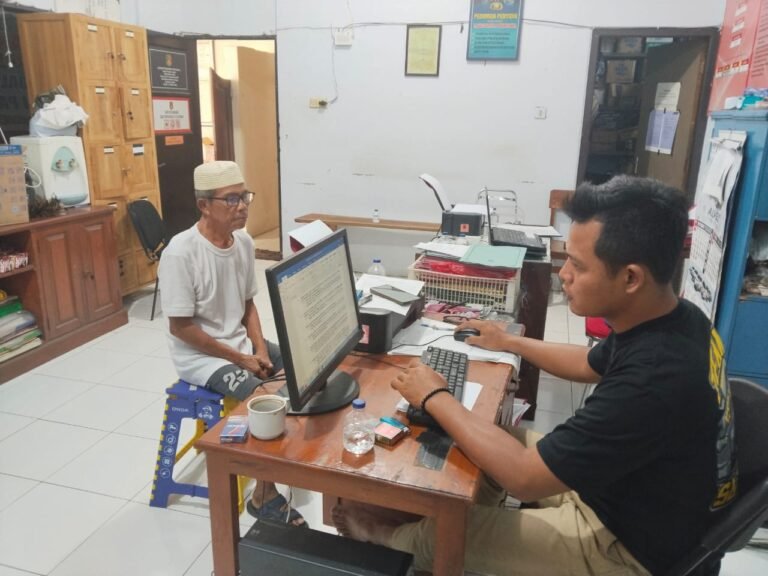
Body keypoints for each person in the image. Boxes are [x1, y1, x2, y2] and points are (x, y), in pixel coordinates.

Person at [332, 176, 736, 575]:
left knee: (447, 534)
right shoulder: (678, 318)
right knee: (488, 440)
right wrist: (511, 342)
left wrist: (436, 396)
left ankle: (380, 536)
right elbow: (589, 362)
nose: (564, 275)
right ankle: (478, 525)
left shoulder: (655, 378)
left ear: (631, 278)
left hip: (627, 547)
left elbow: (525, 478)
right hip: (624, 490)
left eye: (577, 265)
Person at [158, 160, 306, 527]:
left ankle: (295, 455)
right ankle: (263, 494)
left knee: (304, 366)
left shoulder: (243, 241)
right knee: (265, 400)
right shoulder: (181, 253)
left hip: (238, 345)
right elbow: (181, 328)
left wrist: (257, 349)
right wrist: (241, 359)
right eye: (231, 199)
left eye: (245, 197)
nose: (242, 207)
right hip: (201, 356)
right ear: (203, 205)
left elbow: (247, 304)